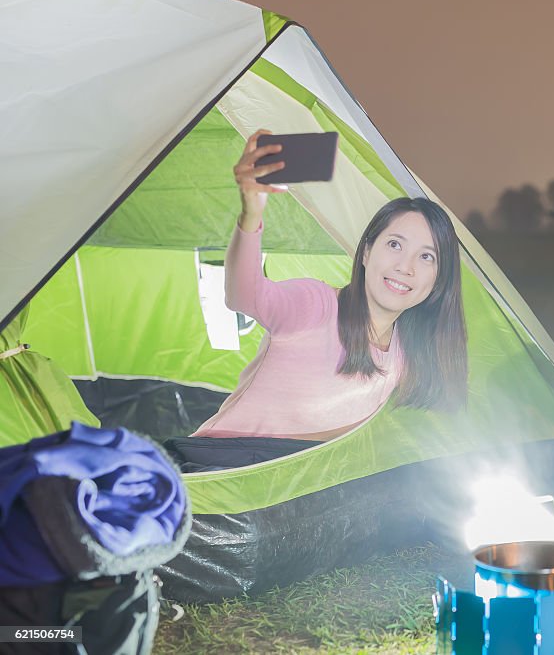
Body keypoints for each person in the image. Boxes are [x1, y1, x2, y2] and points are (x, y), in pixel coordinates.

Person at [190, 130, 468, 442]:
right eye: (394, 245)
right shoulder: (317, 305)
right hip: (225, 467)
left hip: (301, 484)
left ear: (439, 278)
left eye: (427, 256)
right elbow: (246, 296)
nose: (406, 267)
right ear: (365, 252)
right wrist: (252, 212)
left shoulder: (407, 352)